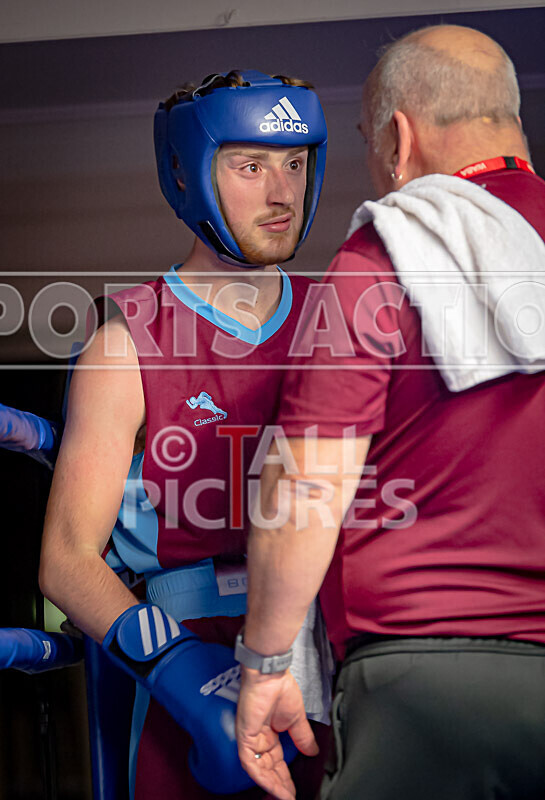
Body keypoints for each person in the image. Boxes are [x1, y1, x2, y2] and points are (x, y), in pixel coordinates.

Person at [235, 25, 545, 800]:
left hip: (424, 682)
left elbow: (304, 487)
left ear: (398, 140)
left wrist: (266, 665)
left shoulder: (385, 254)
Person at [39, 70, 329, 799]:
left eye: (295, 164)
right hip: (189, 648)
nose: (282, 192)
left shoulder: (340, 321)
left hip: (328, 652)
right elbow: (66, 561)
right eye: (250, 166)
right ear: (188, 175)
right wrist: (180, 668)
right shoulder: (127, 343)